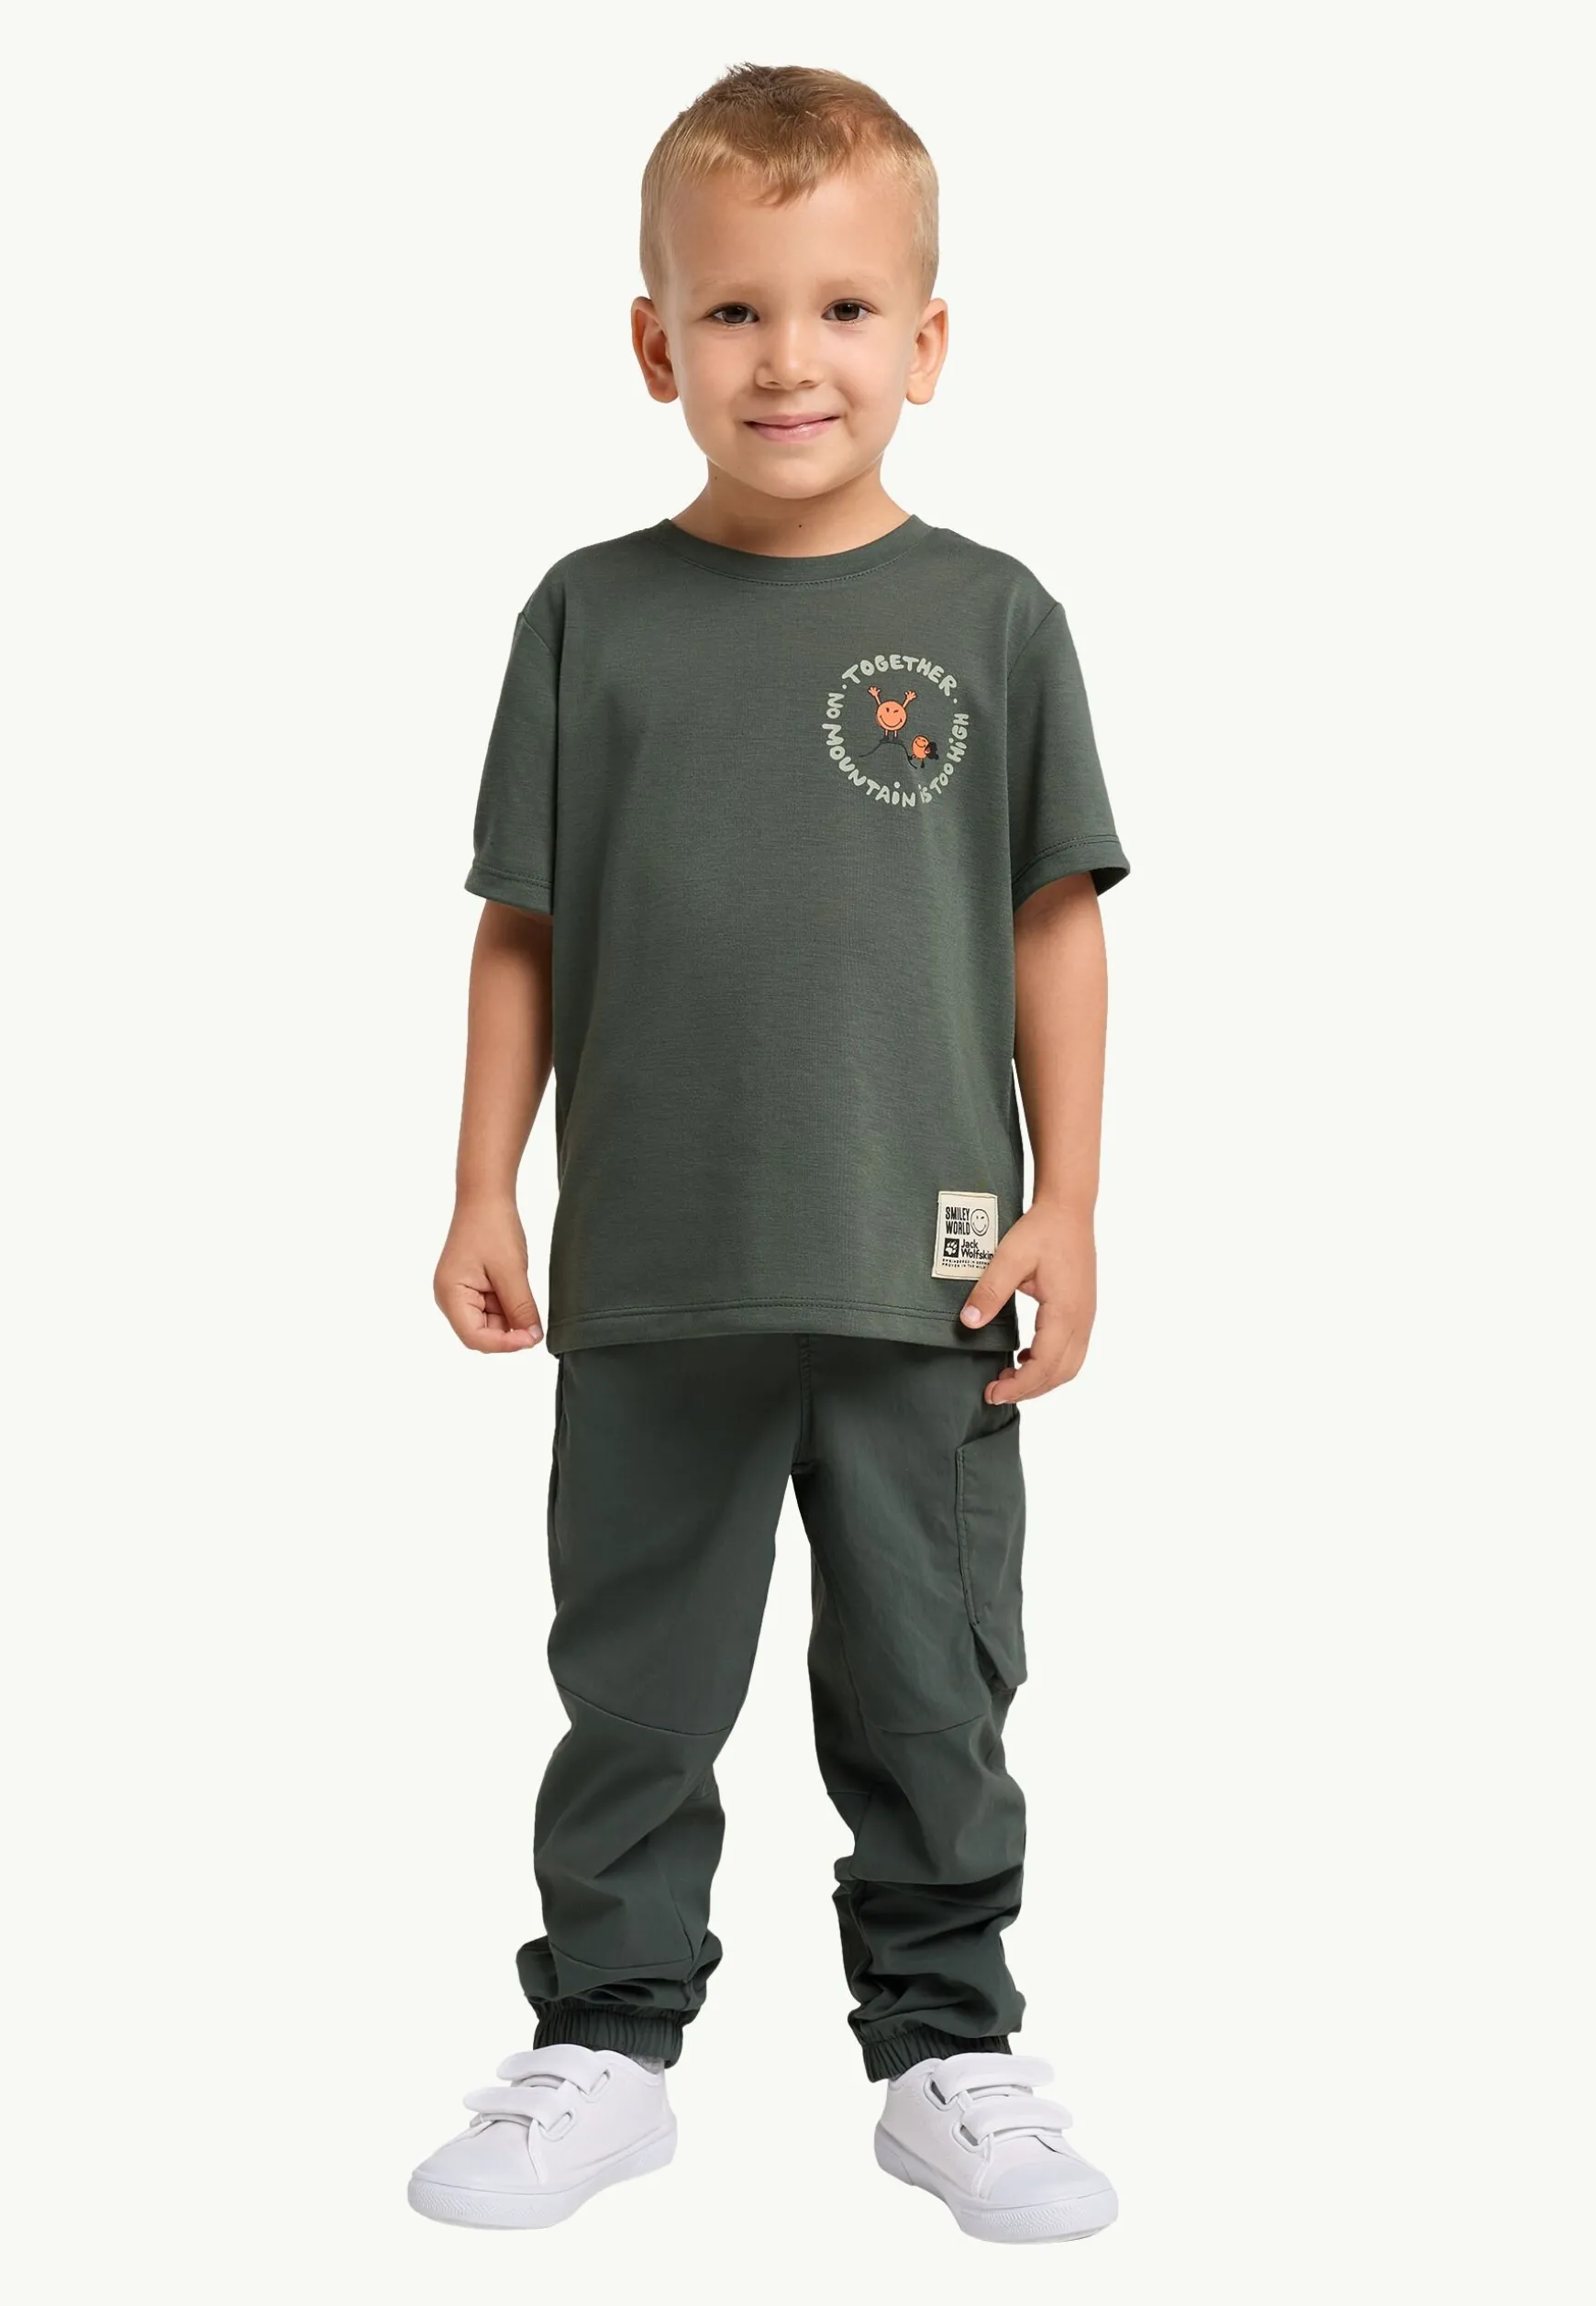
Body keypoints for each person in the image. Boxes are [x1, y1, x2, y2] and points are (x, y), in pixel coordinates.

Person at [409, 61, 1131, 2246]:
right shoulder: (588, 615)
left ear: (927, 341)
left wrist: (1073, 1203)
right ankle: (606, 2045)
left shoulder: (995, 618)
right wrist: (482, 1185)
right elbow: (525, 927)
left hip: (927, 1273)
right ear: (655, 343)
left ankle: (949, 2048)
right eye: (733, 310)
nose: (787, 358)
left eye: (840, 310)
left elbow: (1053, 918)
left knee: (932, 1682)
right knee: (633, 1687)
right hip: (656, 1270)